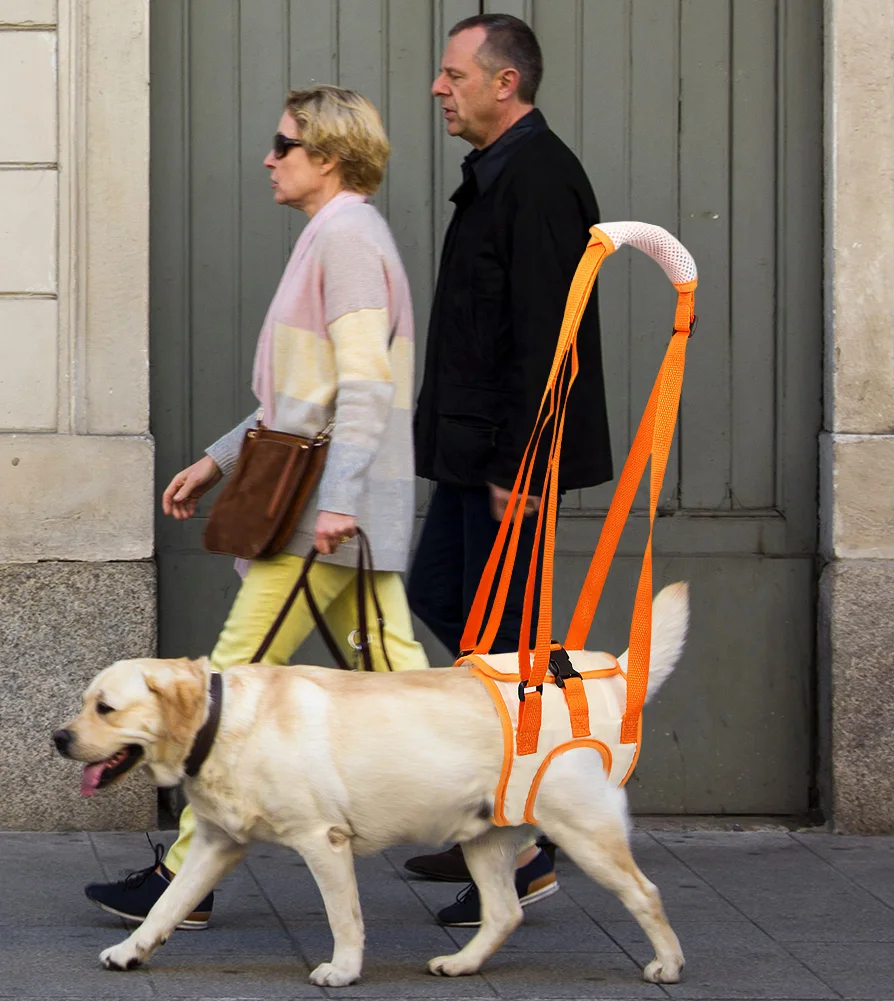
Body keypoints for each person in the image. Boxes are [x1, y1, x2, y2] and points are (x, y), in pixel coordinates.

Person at [84, 85, 430, 929]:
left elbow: (361, 387)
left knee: (227, 682)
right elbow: (299, 397)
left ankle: (180, 883)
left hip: (319, 513)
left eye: (285, 144)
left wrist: (339, 502)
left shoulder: (345, 237)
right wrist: (216, 457)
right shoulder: (337, 233)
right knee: (405, 678)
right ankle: (513, 827)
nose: (269, 158)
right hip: (333, 506)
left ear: (332, 157)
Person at [405, 15, 613, 926]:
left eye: (453, 75)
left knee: (510, 653)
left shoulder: (538, 179)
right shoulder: (496, 176)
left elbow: (546, 344)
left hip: (505, 463)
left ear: (505, 83)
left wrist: (523, 464)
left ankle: (525, 844)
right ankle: (498, 815)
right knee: (456, 608)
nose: (439, 89)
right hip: (470, 455)